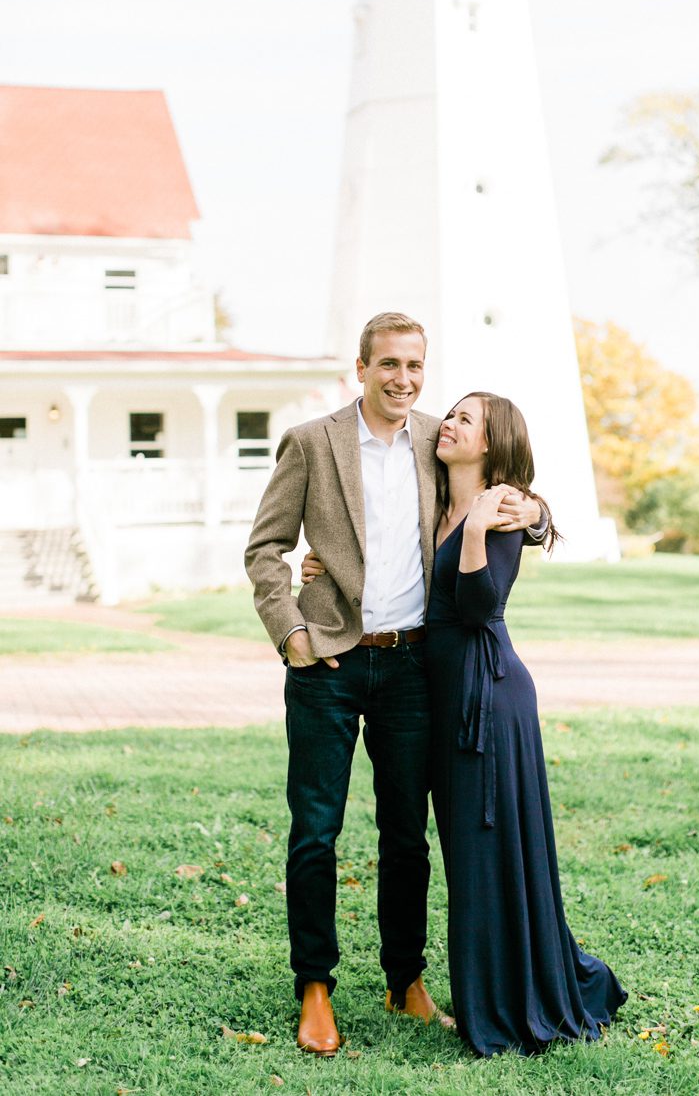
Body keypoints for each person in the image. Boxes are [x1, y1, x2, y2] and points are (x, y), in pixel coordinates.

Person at [244, 313, 544, 1055]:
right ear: (361, 367)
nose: (402, 379)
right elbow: (266, 549)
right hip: (330, 665)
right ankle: (315, 986)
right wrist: (293, 632)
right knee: (316, 830)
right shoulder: (312, 443)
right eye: (388, 365)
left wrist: (535, 514)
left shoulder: (438, 437)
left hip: (412, 667)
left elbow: (507, 485)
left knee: (407, 834)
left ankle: (405, 978)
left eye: (414, 365)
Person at [425, 391, 627, 1056]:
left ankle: (507, 1006)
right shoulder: (435, 494)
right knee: (470, 855)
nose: (448, 423)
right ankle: (496, 989)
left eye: (464, 420)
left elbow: (482, 606)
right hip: (446, 695)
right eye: (449, 413)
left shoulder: (503, 509)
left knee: (490, 852)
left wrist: (487, 526)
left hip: (491, 694)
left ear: (491, 443)